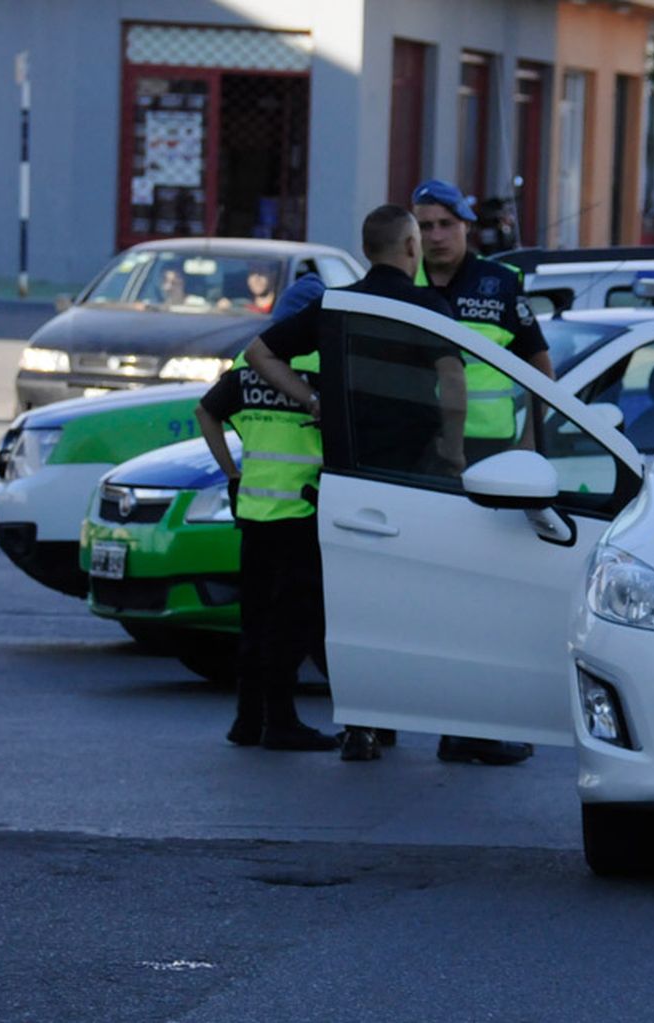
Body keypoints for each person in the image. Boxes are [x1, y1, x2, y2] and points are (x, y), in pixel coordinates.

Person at [197, 205, 460, 755]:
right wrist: (452, 449)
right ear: (410, 247)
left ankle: (360, 725)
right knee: (403, 605)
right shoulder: (426, 306)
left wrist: (313, 400)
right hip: (413, 480)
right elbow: (452, 378)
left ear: (367, 250)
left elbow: (258, 353)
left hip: (343, 481)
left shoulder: (336, 307)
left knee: (345, 607)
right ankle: (398, 719)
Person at [410, 178, 551, 766]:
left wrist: (529, 440)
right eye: (424, 225)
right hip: (414, 456)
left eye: (446, 223)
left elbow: (538, 364)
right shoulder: (398, 282)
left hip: (491, 458)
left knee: (477, 592)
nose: (436, 235)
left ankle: (470, 726)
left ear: (467, 225)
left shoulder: (499, 283)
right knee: (414, 590)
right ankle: (381, 718)